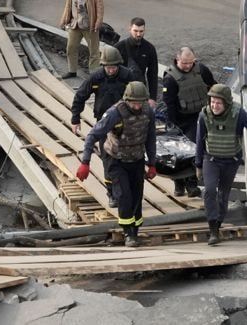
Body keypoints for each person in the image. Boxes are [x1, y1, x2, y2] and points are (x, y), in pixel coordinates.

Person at [76, 81, 157, 247]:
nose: (137, 106)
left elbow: (151, 138)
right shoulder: (114, 113)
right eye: (133, 103)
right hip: (116, 160)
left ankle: (135, 230)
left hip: (136, 159)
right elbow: (92, 135)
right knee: (124, 196)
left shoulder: (148, 112)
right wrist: (85, 162)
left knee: (136, 196)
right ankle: (128, 233)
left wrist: (152, 163)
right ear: (126, 100)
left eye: (140, 102)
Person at [195, 84, 247, 246]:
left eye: (218, 103)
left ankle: (218, 223)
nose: (214, 106)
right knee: (209, 190)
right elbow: (199, 140)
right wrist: (198, 165)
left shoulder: (238, 115)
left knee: (223, 195)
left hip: (230, 161)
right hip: (211, 159)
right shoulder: (204, 115)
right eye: (212, 102)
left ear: (227, 103)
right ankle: (213, 230)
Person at [161, 46, 216, 196]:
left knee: (194, 150)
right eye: (184, 63)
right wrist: (171, 126)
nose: (187, 66)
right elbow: (169, 104)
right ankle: (178, 184)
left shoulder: (201, 70)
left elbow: (214, 87)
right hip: (178, 119)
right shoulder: (170, 78)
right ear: (177, 60)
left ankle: (192, 184)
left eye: (191, 62)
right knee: (176, 153)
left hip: (197, 117)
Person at [70, 46, 135, 135]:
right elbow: (80, 96)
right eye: (108, 68)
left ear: (118, 65)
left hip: (124, 117)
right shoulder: (96, 77)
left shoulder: (127, 76)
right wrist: (75, 119)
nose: (111, 71)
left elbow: (138, 97)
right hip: (103, 118)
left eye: (114, 68)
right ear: (103, 65)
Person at [59, 0, 103, 78]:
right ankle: (72, 71)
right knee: (71, 48)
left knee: (94, 51)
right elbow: (68, 4)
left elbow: (99, 5)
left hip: (89, 24)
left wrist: (98, 21)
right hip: (75, 24)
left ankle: (94, 74)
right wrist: (64, 20)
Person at [114, 18, 158, 105]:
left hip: (140, 91)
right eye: (135, 31)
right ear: (129, 29)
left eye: (141, 31)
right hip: (121, 91)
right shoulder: (119, 47)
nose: (138, 34)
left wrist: (152, 98)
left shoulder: (150, 48)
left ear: (145, 30)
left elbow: (152, 74)